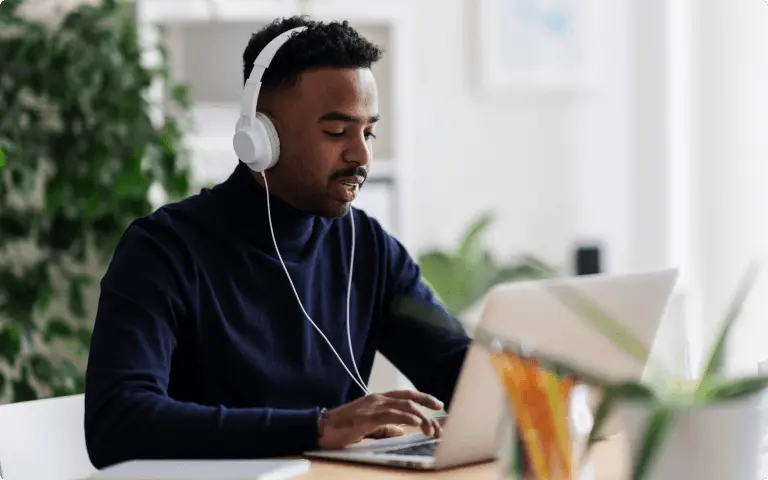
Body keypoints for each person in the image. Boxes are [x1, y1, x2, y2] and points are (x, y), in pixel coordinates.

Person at [84, 16, 471, 469]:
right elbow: (118, 423)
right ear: (261, 137)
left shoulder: (369, 249)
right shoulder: (162, 252)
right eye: (336, 132)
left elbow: (460, 371)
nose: (361, 155)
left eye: (368, 132)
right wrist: (319, 428)